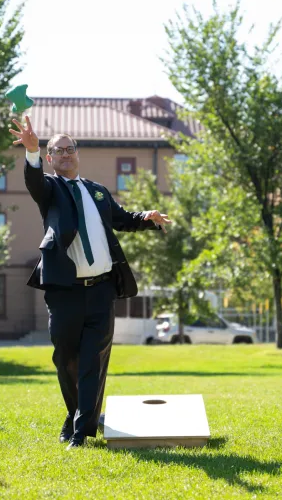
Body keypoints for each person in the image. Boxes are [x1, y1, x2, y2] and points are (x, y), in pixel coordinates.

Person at [10, 116, 171, 450]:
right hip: (64, 291)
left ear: (77, 154)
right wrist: (31, 153)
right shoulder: (51, 190)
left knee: (92, 361)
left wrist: (147, 217)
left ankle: (81, 432)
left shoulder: (97, 191)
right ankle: (75, 415)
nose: (66, 155)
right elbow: (35, 182)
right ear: (51, 158)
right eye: (58, 151)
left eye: (70, 149)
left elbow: (122, 219)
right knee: (65, 359)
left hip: (101, 290)